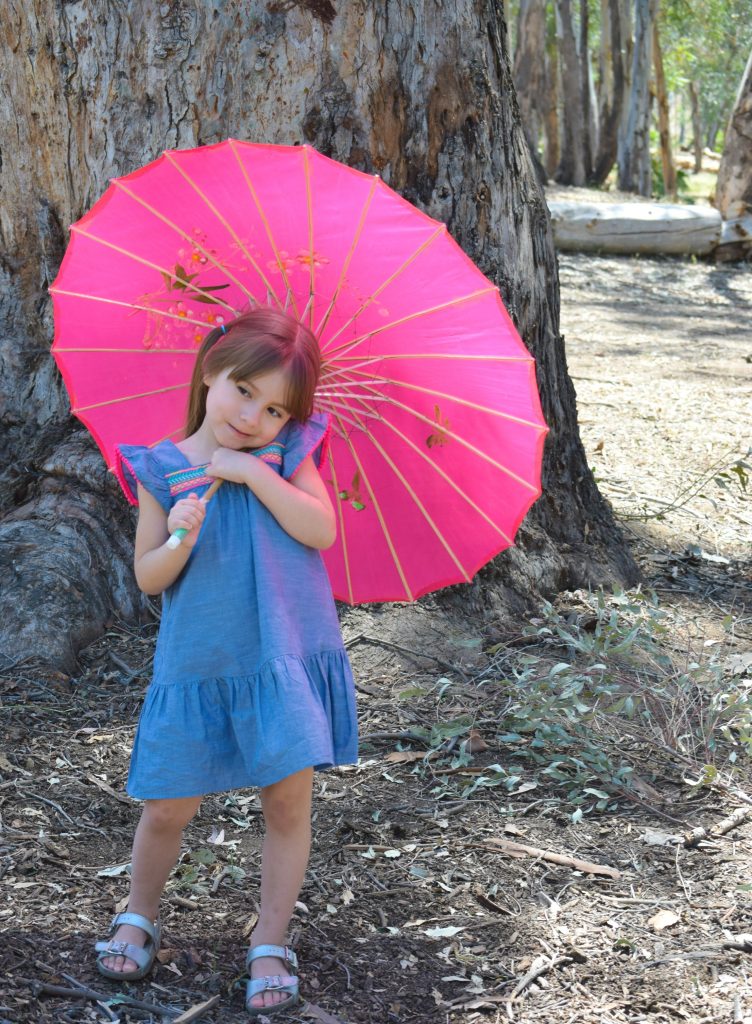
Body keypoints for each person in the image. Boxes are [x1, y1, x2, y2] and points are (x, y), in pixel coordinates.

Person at [95, 308, 358, 1017]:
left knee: (286, 800)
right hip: (201, 661)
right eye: (244, 391)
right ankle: (138, 914)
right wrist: (178, 535)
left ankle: (269, 941)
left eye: (275, 408)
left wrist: (251, 472)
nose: (255, 415)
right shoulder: (161, 469)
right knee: (168, 805)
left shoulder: (287, 455)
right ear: (212, 370)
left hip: (282, 655)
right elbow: (151, 576)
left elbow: (321, 528)